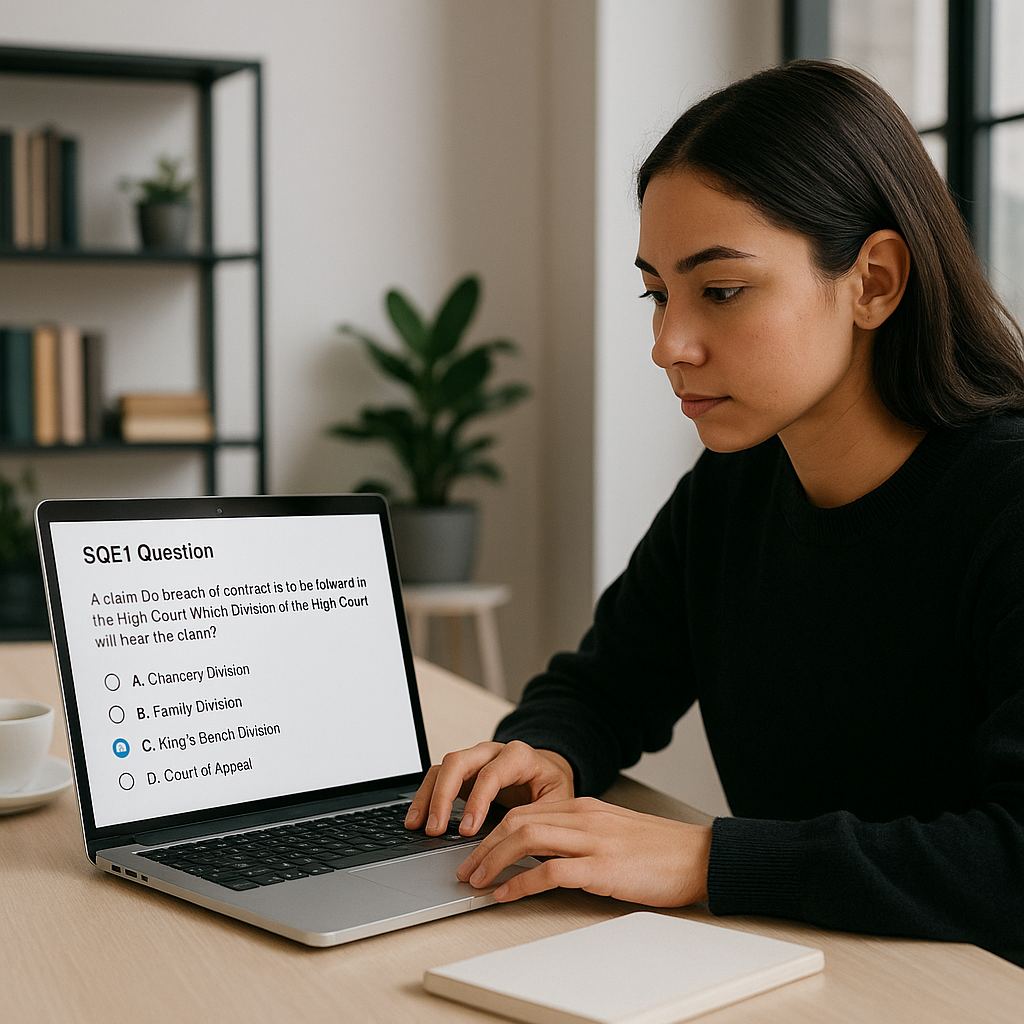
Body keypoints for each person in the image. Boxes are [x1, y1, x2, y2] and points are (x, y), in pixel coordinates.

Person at [405, 60, 1024, 966]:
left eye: (721, 291)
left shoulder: (1006, 503)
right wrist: (547, 751)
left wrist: (705, 860)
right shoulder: (734, 489)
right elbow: (606, 685)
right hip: (817, 971)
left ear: (874, 282)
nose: (668, 345)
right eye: (658, 293)